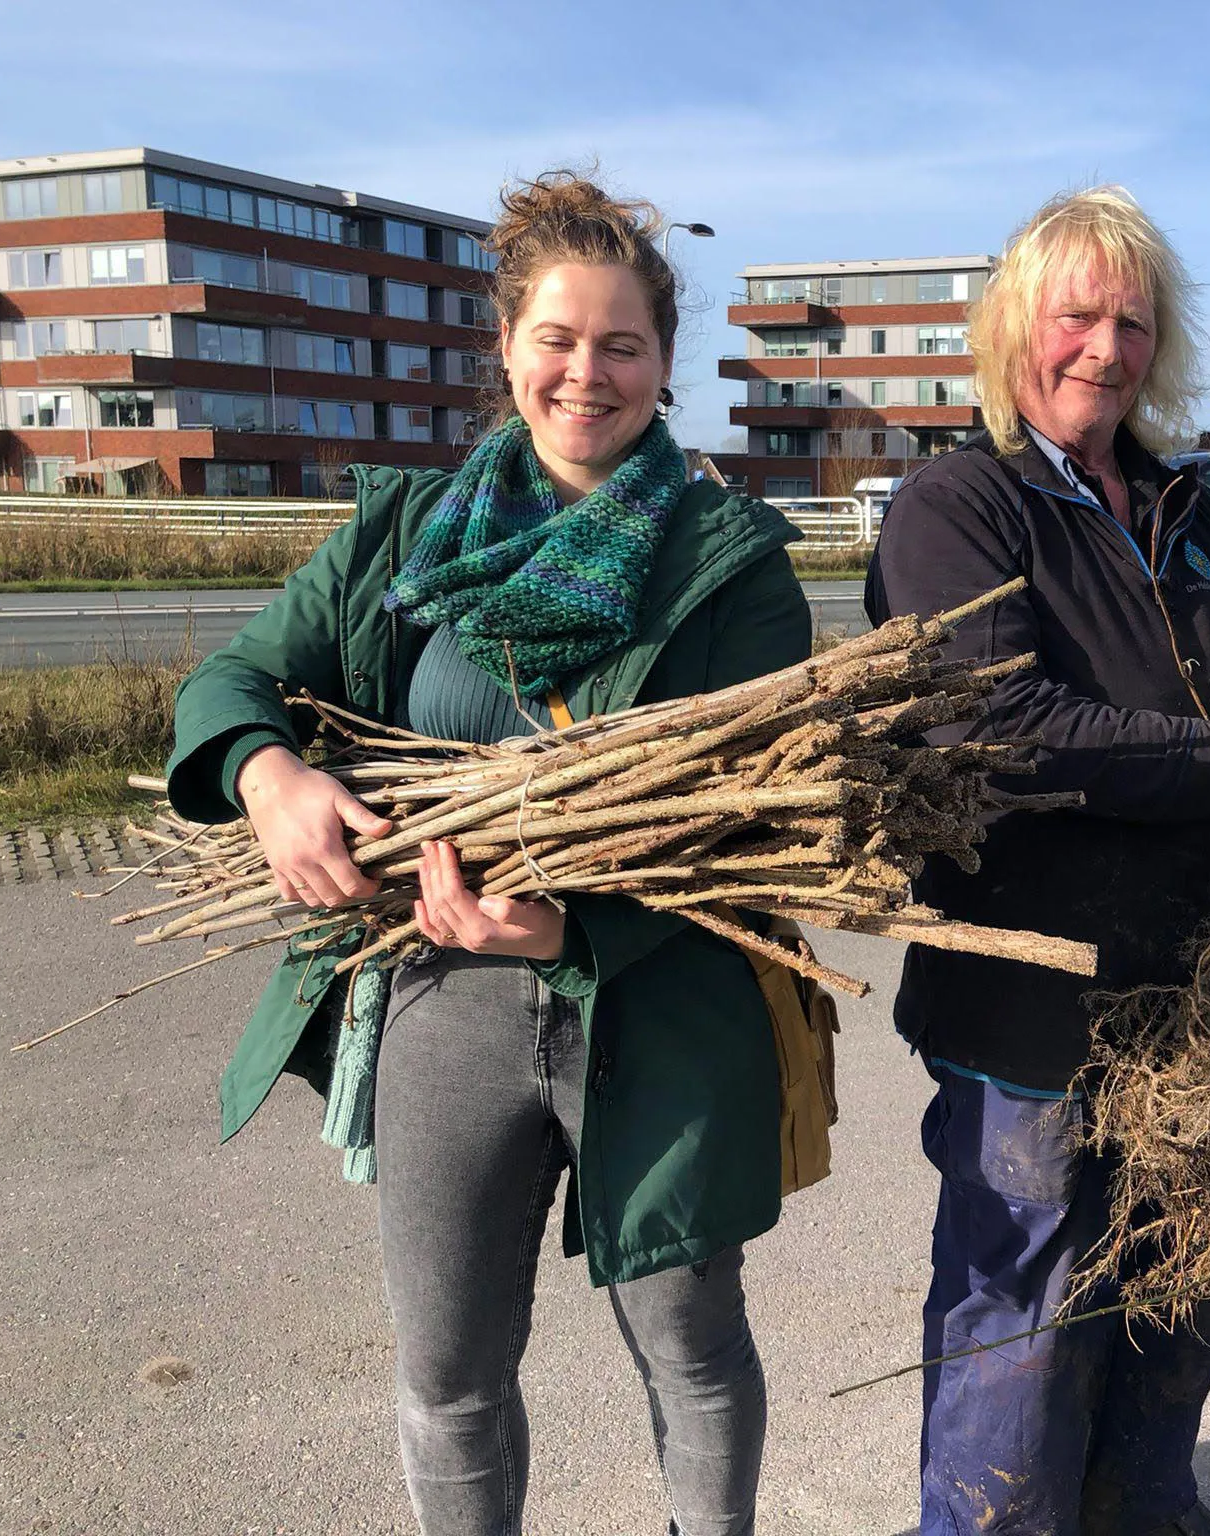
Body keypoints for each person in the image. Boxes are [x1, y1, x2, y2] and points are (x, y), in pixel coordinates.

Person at [165, 171, 811, 1536]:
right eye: (558, 341)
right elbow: (234, 679)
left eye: (622, 345)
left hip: (662, 1001)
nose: (588, 375)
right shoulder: (403, 535)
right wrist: (266, 773)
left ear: (663, 364)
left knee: (691, 1354)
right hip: (442, 999)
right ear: (509, 349)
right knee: (449, 1371)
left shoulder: (731, 560)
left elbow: (753, 824)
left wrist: (576, 933)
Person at [866, 186, 1210, 1535]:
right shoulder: (959, 505)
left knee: (1182, 1272)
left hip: (1206, 991)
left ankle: (1141, 1512)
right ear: (1013, 327)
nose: (1103, 348)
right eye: (1076, 316)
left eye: (1131, 321)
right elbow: (998, 732)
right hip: (1036, 996)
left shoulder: (1194, 509)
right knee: (1026, 1301)